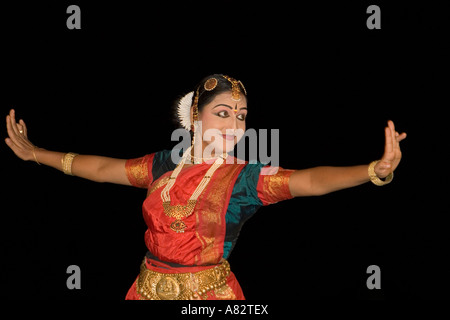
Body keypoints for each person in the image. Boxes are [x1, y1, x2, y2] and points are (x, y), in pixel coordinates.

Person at [4, 74, 407, 300]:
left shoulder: (245, 178)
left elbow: (309, 181)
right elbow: (102, 168)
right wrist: (35, 152)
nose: (235, 126)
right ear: (195, 115)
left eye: (242, 116)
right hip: (146, 289)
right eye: (223, 113)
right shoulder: (165, 164)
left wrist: (374, 169)